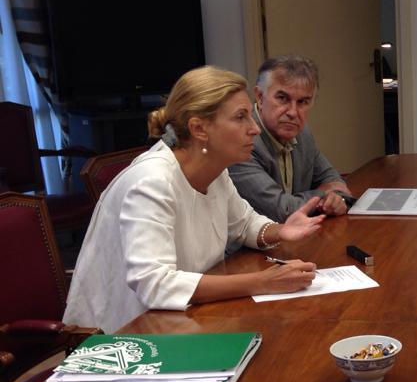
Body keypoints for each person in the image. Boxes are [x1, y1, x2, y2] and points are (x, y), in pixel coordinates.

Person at [64, 66, 324, 334]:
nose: (255, 129)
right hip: (121, 335)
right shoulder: (151, 182)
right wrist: (262, 282)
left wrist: (281, 230)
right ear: (199, 128)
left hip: (183, 318)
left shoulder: (215, 170)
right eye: (240, 117)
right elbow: (155, 284)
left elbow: (245, 224)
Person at [228, 55, 354, 222]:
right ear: (259, 96)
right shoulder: (242, 140)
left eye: (302, 102)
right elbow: (281, 210)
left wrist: (337, 198)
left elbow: (334, 181)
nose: (293, 112)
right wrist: (324, 195)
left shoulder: (302, 133)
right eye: (282, 98)